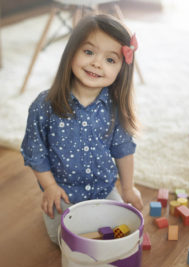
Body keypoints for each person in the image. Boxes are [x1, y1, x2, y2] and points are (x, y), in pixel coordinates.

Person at [21, 14, 143, 244]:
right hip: (62, 193)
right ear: (71, 53)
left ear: (121, 69)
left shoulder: (116, 109)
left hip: (103, 191)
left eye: (110, 60)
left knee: (124, 233)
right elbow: (35, 153)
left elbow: (124, 149)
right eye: (89, 52)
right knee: (65, 240)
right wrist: (50, 187)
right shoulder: (44, 105)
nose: (97, 63)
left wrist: (128, 188)